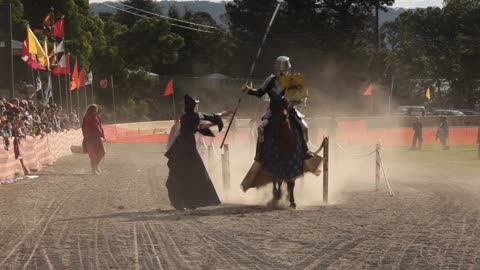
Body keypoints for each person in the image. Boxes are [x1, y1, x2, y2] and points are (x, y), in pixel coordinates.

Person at [165, 94, 231, 210]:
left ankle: (187, 202)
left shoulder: (186, 117)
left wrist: (215, 122)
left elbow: (199, 127)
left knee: (188, 174)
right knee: (195, 173)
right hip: (186, 148)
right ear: (193, 106)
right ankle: (185, 202)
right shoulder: (194, 116)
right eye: (196, 105)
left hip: (182, 146)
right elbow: (210, 116)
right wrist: (223, 114)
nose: (198, 106)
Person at [241, 56, 312, 161]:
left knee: (304, 128)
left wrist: (301, 97)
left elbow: (299, 99)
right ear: (276, 70)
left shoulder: (293, 80)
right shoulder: (270, 80)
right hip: (273, 110)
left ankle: (305, 151)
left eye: (283, 71)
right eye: (279, 71)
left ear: (288, 70)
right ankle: (259, 154)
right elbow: (260, 92)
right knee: (261, 128)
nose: (281, 73)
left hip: (289, 108)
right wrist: (248, 90)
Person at [82, 104, 106, 175]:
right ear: (91, 110)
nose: (96, 111)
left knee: (102, 152)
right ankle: (93, 170)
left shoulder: (97, 117)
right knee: (92, 155)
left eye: (97, 109)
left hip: (97, 137)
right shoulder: (87, 117)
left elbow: (100, 126)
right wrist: (97, 113)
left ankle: (96, 166)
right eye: (95, 109)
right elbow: (90, 118)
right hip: (89, 138)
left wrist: (103, 135)